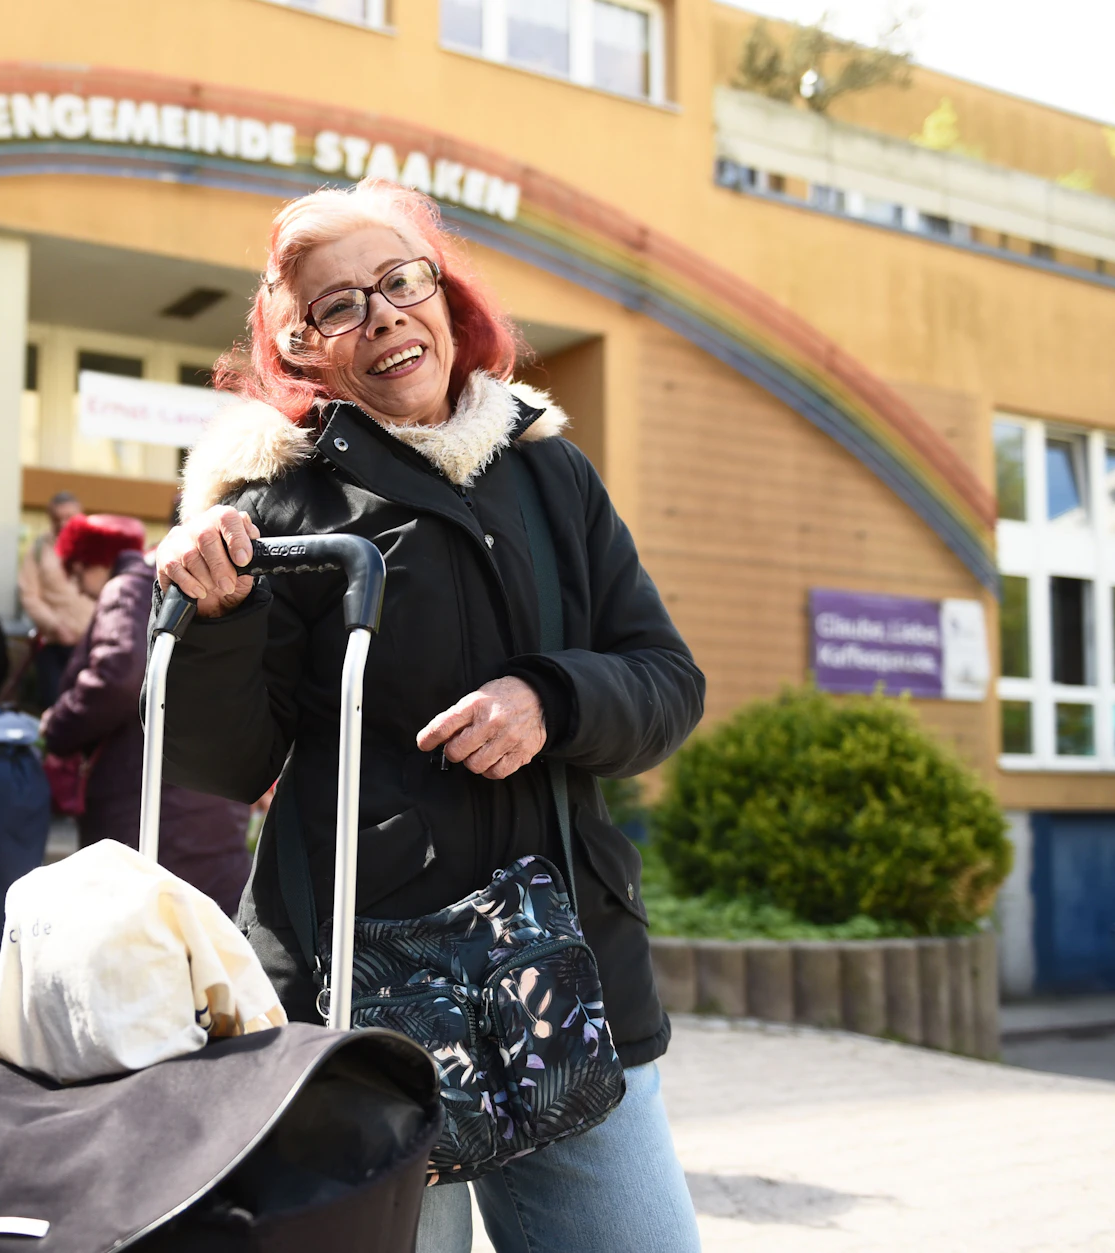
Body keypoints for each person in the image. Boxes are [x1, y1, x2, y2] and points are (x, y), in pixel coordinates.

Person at [152, 179, 706, 1253]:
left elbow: (663, 679)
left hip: (563, 978)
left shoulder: (552, 474)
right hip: (360, 1005)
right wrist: (210, 616)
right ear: (302, 348)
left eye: (399, 281)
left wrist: (551, 695)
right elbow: (224, 763)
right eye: (338, 306)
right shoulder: (271, 505)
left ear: (445, 297)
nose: (383, 316)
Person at [40, 514, 251, 914]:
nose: (76, 586)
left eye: (74, 572)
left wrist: (57, 726)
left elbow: (117, 676)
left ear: (86, 563)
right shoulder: (204, 588)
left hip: (142, 799)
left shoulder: (126, 588)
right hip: (211, 801)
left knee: (137, 944)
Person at [17, 491, 93, 707]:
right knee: (56, 708)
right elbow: (29, 594)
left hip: (91, 645)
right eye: (56, 518)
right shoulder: (39, 549)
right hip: (54, 645)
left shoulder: (96, 546)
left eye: (68, 517)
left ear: (81, 515)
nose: (63, 523)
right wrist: (54, 625)